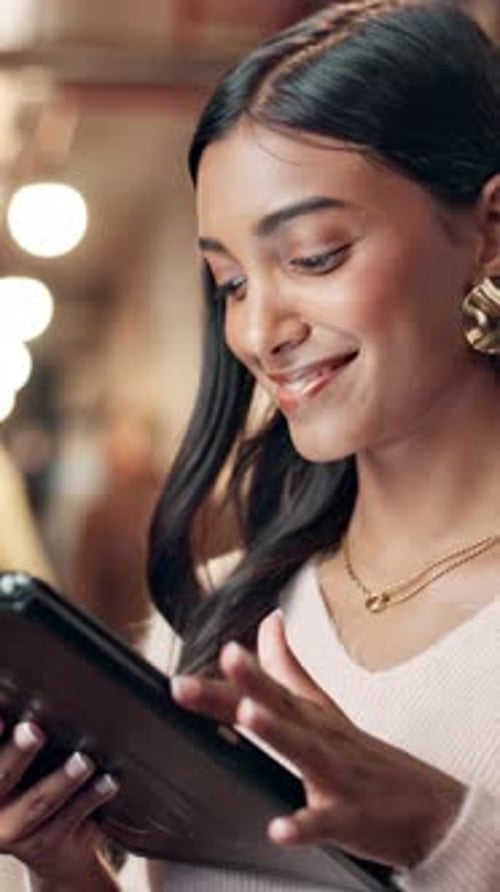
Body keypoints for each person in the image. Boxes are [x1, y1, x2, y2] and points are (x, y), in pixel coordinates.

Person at [0, 1, 498, 889]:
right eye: (229, 281)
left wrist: (444, 830)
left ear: (490, 232)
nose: (259, 330)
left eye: (313, 256)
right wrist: (65, 865)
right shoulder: (218, 618)